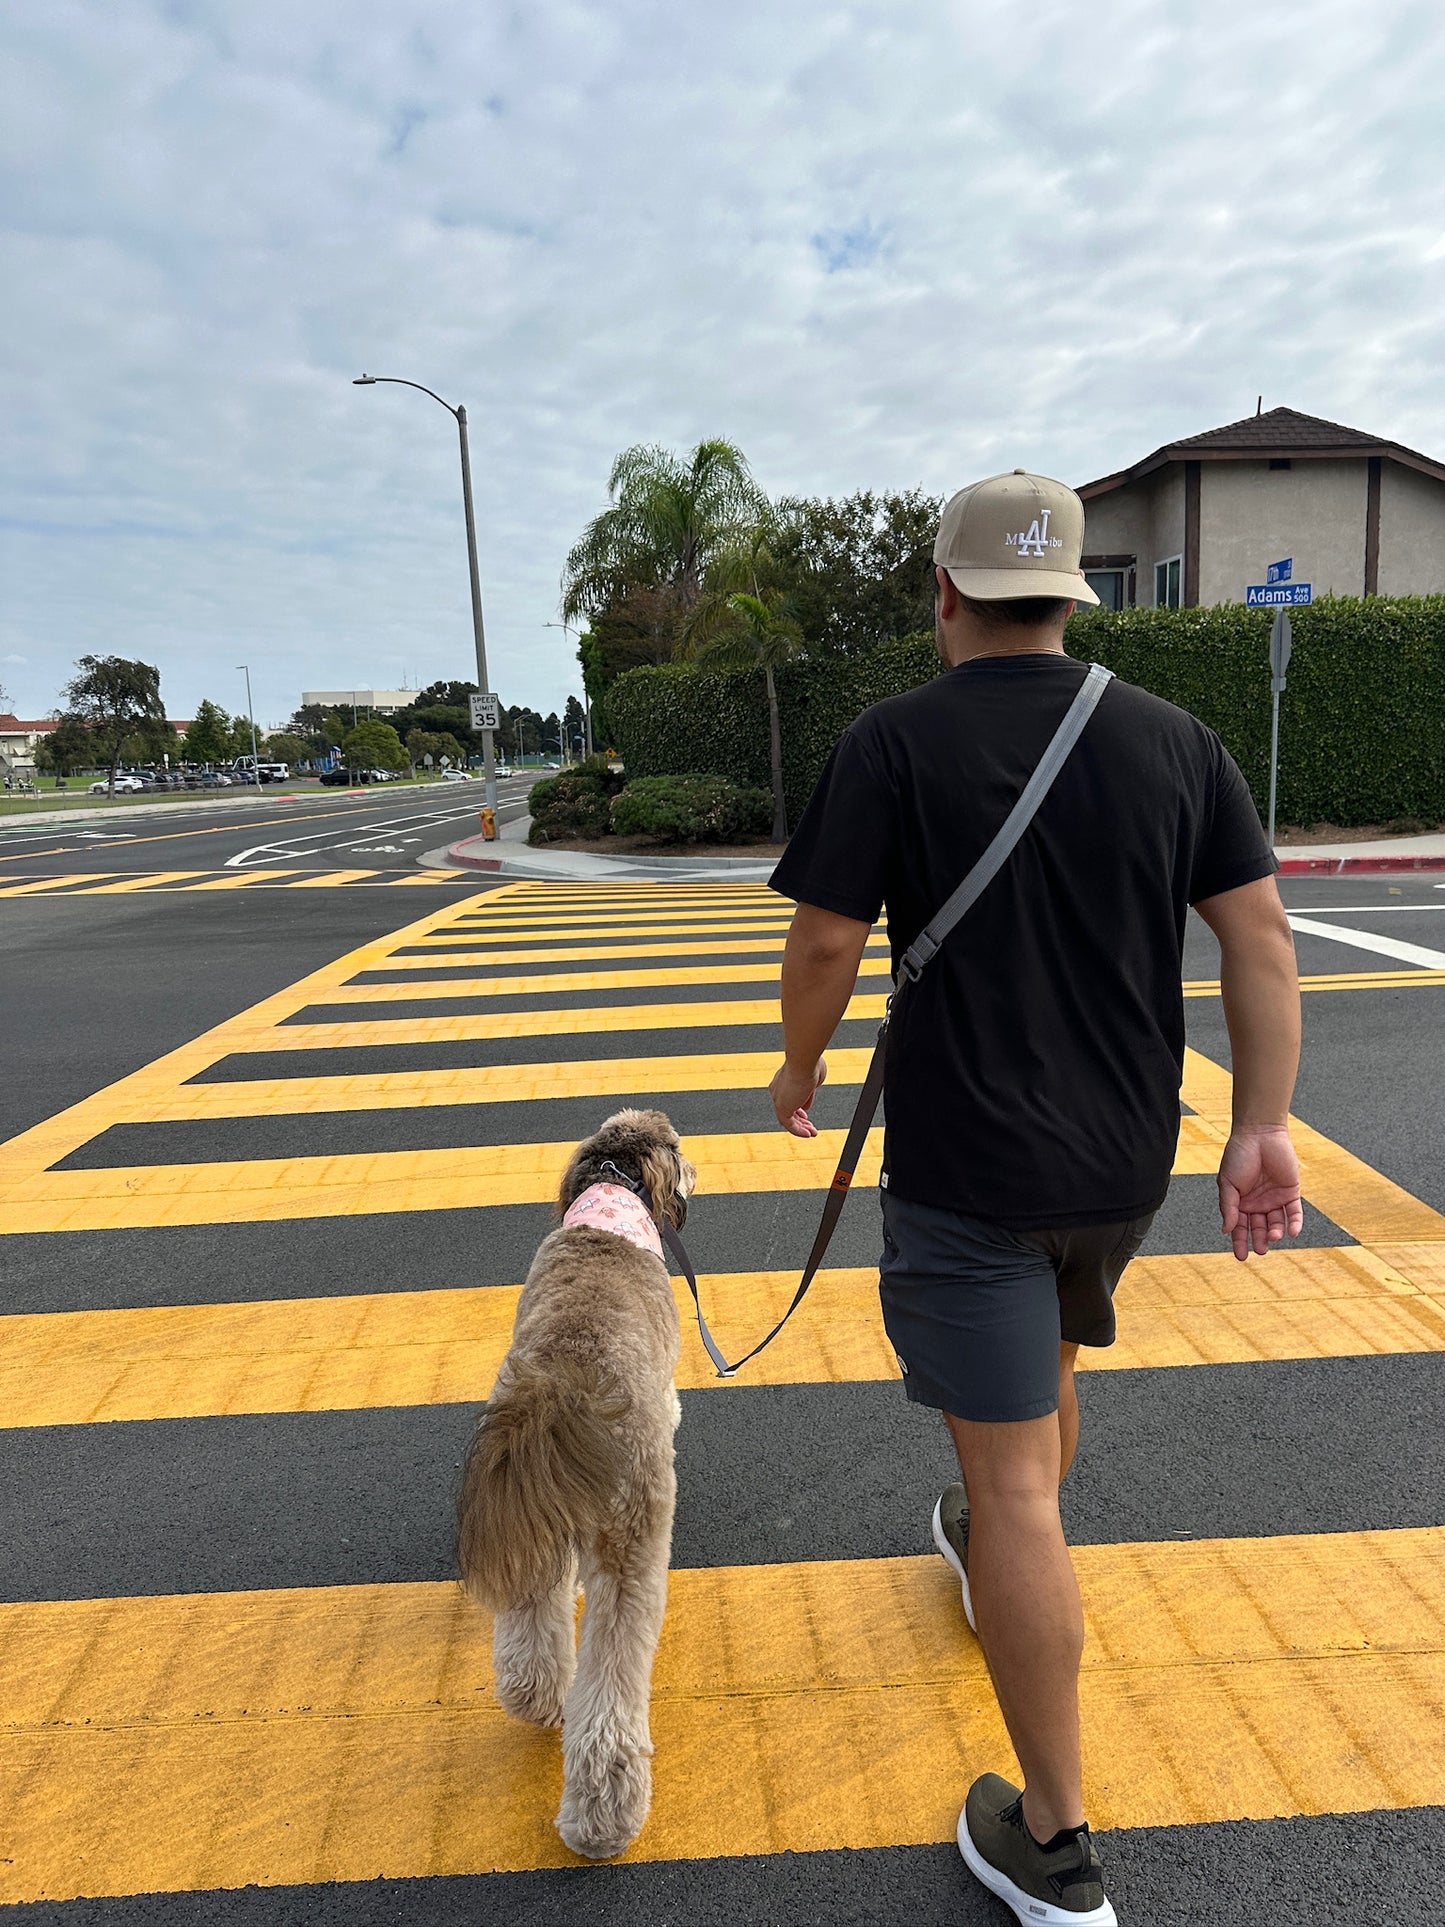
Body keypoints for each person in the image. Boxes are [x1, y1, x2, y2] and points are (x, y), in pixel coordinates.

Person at [766, 469, 1302, 1926]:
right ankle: (996, 1534)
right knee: (1041, 1384)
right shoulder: (1174, 739)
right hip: (1121, 1162)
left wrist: (795, 1069)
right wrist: (1259, 1127)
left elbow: (822, 947)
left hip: (971, 1166)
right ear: (1070, 595)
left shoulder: (889, 742)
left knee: (1012, 1491)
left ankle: (1053, 1848)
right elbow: (1256, 939)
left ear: (943, 593)